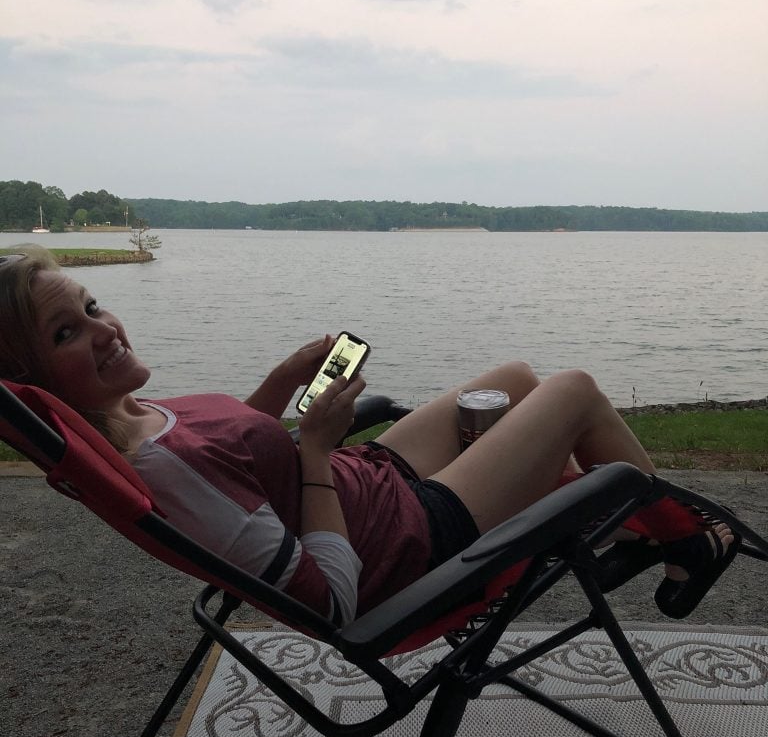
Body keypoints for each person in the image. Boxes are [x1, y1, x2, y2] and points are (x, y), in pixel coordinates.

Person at [0, 248, 739, 627]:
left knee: (514, 376)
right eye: (67, 332)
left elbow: (233, 453)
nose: (103, 329)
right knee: (571, 392)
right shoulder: (158, 468)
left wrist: (287, 380)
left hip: (370, 488)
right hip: (403, 547)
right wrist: (317, 448)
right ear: (31, 371)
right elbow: (329, 602)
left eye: (92, 304)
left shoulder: (127, 415)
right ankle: (687, 537)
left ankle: (646, 530)